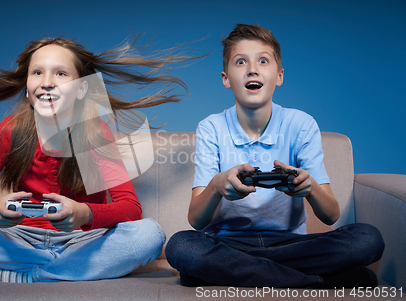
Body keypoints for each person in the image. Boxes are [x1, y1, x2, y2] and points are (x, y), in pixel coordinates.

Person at [0, 36, 195, 283]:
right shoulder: (11, 130)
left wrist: (84, 213)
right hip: (18, 238)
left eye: (61, 73)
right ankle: (56, 271)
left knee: (150, 235)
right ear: (28, 87)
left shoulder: (95, 134)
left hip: (81, 240)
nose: (47, 81)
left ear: (81, 90)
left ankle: (24, 272)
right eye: (37, 72)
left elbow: (130, 208)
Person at [165, 24, 384, 288]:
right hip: (229, 244)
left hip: (289, 245)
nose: (252, 69)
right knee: (182, 246)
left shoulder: (301, 124)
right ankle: (314, 282)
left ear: (279, 76)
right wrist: (216, 186)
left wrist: (310, 187)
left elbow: (330, 215)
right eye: (241, 61)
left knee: (368, 238)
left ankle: (235, 272)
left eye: (263, 61)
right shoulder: (211, 127)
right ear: (226, 78)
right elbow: (196, 221)